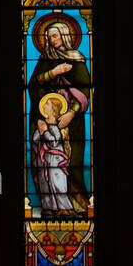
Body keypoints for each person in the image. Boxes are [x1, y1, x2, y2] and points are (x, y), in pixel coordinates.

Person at [27, 17, 90, 212]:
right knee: (46, 163)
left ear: (64, 35)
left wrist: (71, 113)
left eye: (54, 36)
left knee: (72, 163)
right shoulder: (45, 59)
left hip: (72, 121)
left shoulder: (76, 58)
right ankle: (51, 204)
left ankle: (76, 204)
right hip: (46, 116)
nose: (50, 40)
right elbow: (33, 85)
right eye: (48, 37)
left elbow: (85, 91)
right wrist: (54, 72)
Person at [32, 93, 75, 213]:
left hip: (56, 161)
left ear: (54, 109)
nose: (44, 106)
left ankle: (64, 209)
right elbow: (35, 140)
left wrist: (44, 130)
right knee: (44, 184)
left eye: (47, 104)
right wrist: (39, 132)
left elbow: (54, 142)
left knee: (58, 185)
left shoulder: (58, 126)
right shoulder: (42, 123)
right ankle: (49, 208)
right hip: (43, 160)